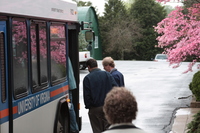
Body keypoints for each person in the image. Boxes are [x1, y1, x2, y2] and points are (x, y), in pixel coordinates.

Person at [83, 58, 117, 133]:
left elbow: (87, 95)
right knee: (109, 129)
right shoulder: (107, 74)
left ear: (88, 67)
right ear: (97, 65)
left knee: (97, 129)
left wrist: (89, 106)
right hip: (107, 106)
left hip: (95, 108)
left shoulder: (87, 78)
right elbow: (115, 88)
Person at [68, 58, 79, 133]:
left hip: (67, 88)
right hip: (69, 86)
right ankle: (74, 128)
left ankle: (74, 128)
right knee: (70, 106)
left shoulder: (63, 56)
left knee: (70, 107)